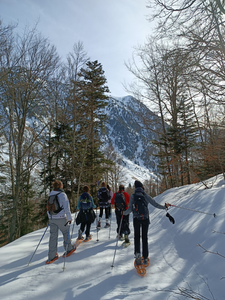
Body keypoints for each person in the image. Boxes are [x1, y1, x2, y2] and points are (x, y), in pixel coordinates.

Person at [123, 180, 171, 266]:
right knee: (144, 238)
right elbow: (155, 204)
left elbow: (130, 209)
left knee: (137, 237)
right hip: (145, 219)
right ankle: (145, 258)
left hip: (136, 219)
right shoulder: (145, 196)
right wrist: (165, 207)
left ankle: (138, 255)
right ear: (142, 187)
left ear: (135, 188)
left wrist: (124, 213)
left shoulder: (133, 196)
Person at [46, 180, 75, 264]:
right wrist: (69, 218)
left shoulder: (50, 194)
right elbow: (66, 208)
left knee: (53, 236)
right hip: (61, 218)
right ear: (60, 186)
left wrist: (50, 217)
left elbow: (48, 207)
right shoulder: (62, 195)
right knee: (66, 232)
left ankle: (51, 256)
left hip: (52, 218)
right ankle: (69, 248)